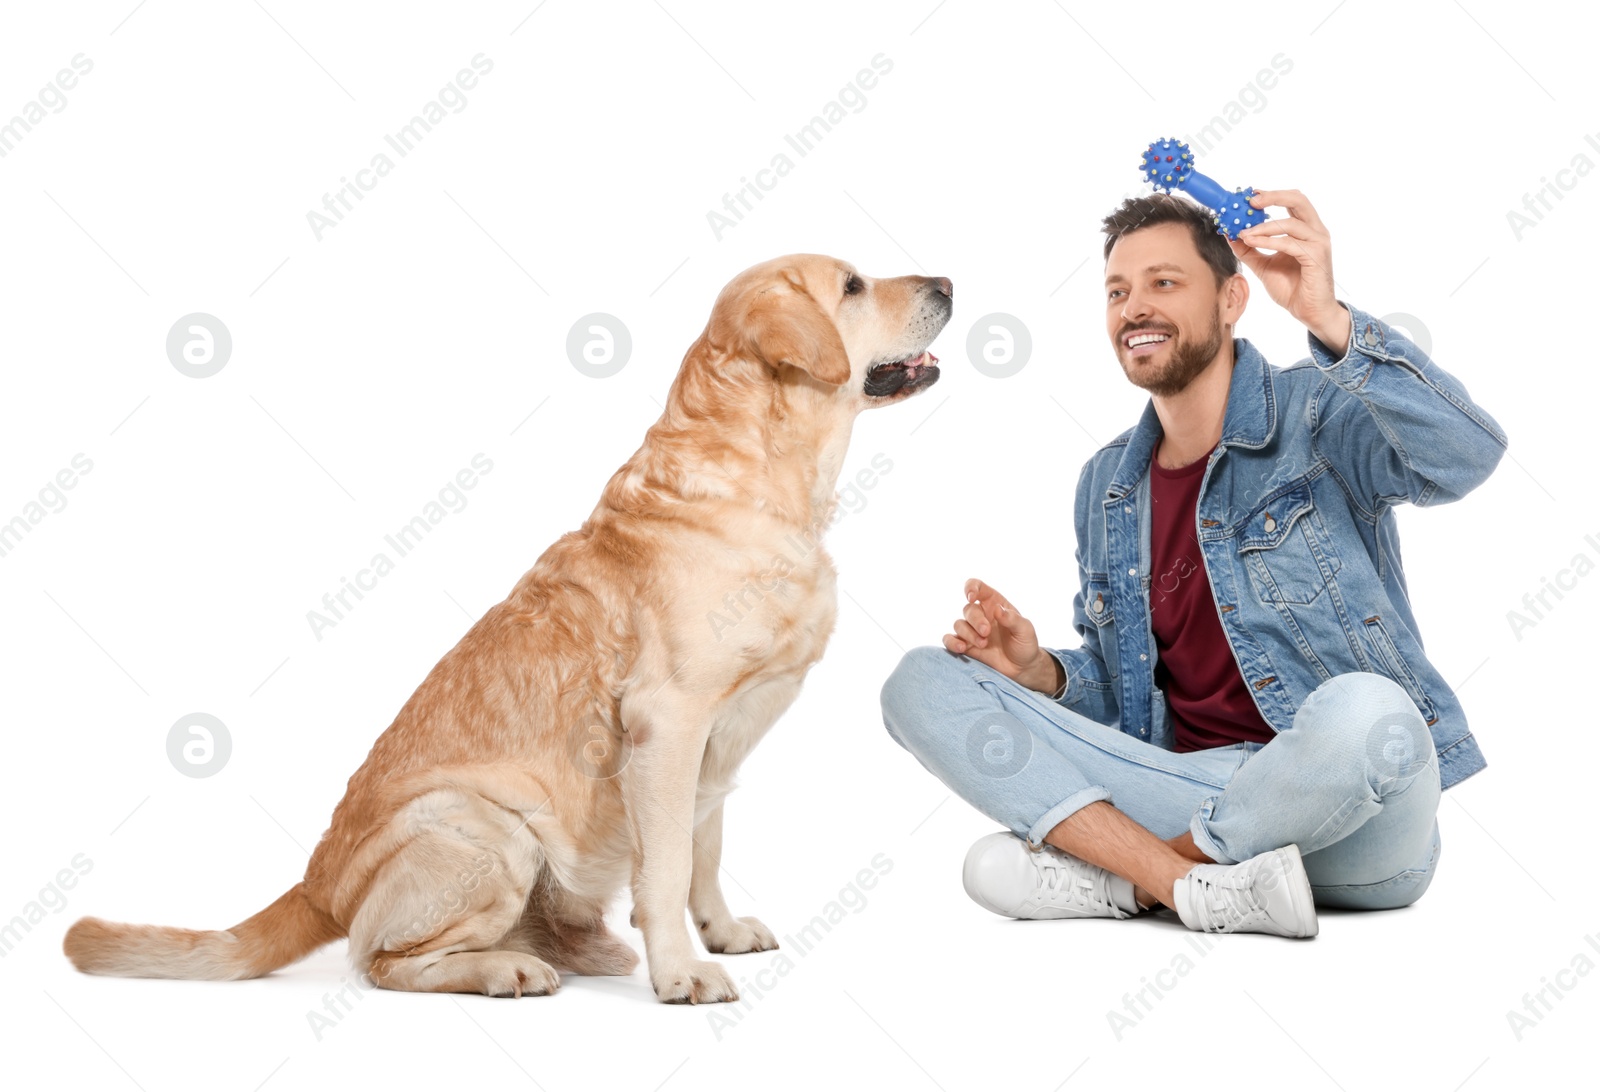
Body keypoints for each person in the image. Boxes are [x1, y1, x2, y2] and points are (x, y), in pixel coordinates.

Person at [879, 189, 1507, 937]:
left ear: (1234, 297)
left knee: (1371, 711)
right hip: (1191, 784)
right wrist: (1039, 675)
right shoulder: (1107, 484)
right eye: (1118, 291)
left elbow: (1467, 456)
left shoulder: (1318, 412)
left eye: (1164, 283)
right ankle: (1189, 883)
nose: (1133, 308)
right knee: (922, 679)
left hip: (1357, 810)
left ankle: (1139, 881)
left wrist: (1326, 318)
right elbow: (1123, 696)